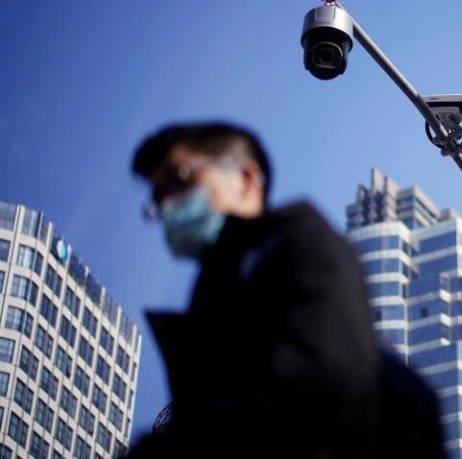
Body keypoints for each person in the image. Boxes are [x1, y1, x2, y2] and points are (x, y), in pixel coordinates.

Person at [126, 121, 445, 458]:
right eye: (158, 197)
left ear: (247, 179)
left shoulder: (302, 243)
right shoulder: (216, 295)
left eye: (180, 177)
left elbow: (323, 374)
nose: (169, 204)